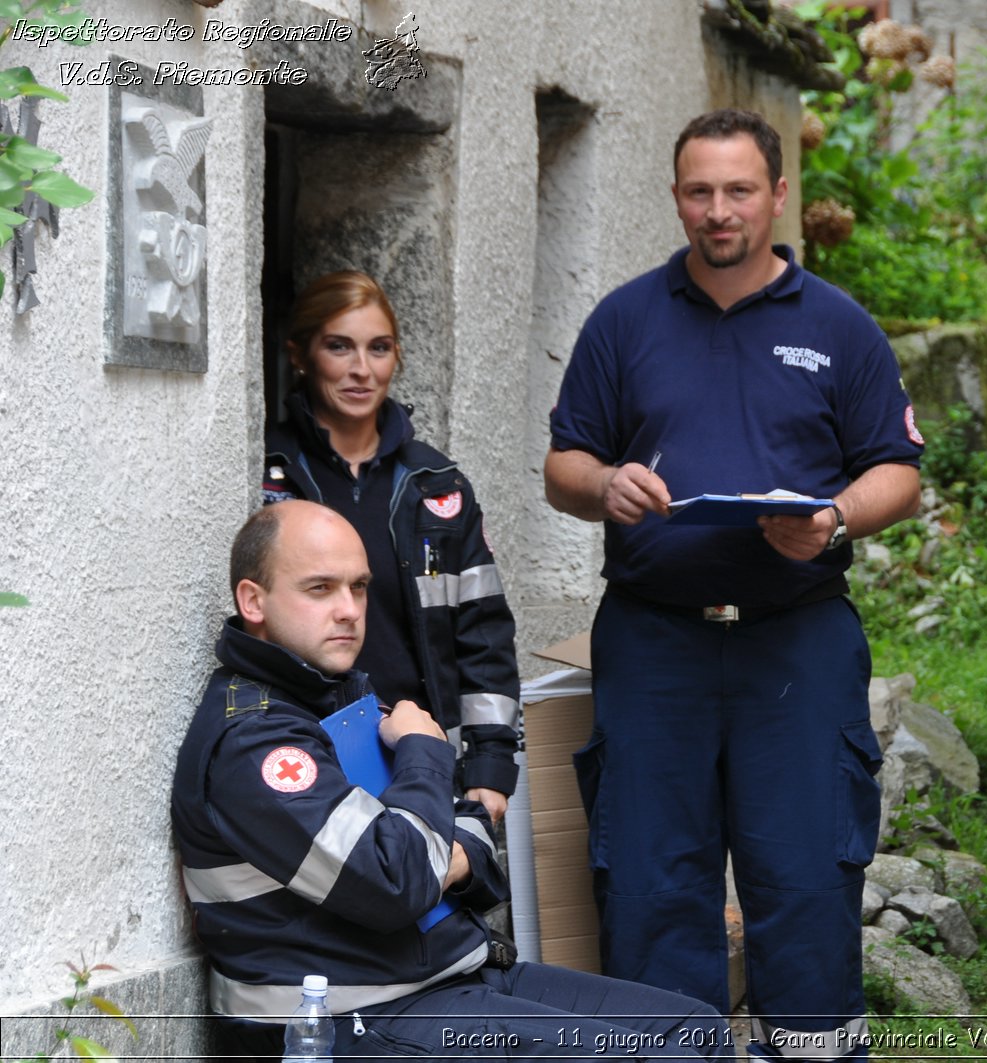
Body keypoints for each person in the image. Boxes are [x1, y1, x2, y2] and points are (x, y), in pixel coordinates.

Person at [543, 108, 924, 1060]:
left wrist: (832, 518)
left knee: (803, 880)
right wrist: (605, 484)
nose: (720, 212)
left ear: (778, 194)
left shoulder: (840, 326)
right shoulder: (624, 320)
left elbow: (899, 473)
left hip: (793, 643)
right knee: (650, 882)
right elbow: (564, 465)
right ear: (677, 197)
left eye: (740, 190)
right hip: (654, 642)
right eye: (701, 192)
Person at [172, 501, 732, 1060]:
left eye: (359, 587)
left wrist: (438, 852)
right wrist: (422, 752)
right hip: (351, 1014)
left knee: (697, 1027)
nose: (348, 610)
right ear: (254, 601)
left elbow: (473, 836)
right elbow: (400, 881)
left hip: (445, 975)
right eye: (320, 588)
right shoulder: (257, 741)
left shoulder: (337, 695)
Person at [262, 271, 519, 824]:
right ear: (300, 355)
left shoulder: (438, 485)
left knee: (438, 904)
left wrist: (491, 769)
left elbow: (485, 634)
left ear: (396, 356)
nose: (361, 369)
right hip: (309, 749)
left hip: (422, 753)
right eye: (339, 347)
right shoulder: (267, 472)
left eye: (378, 349)